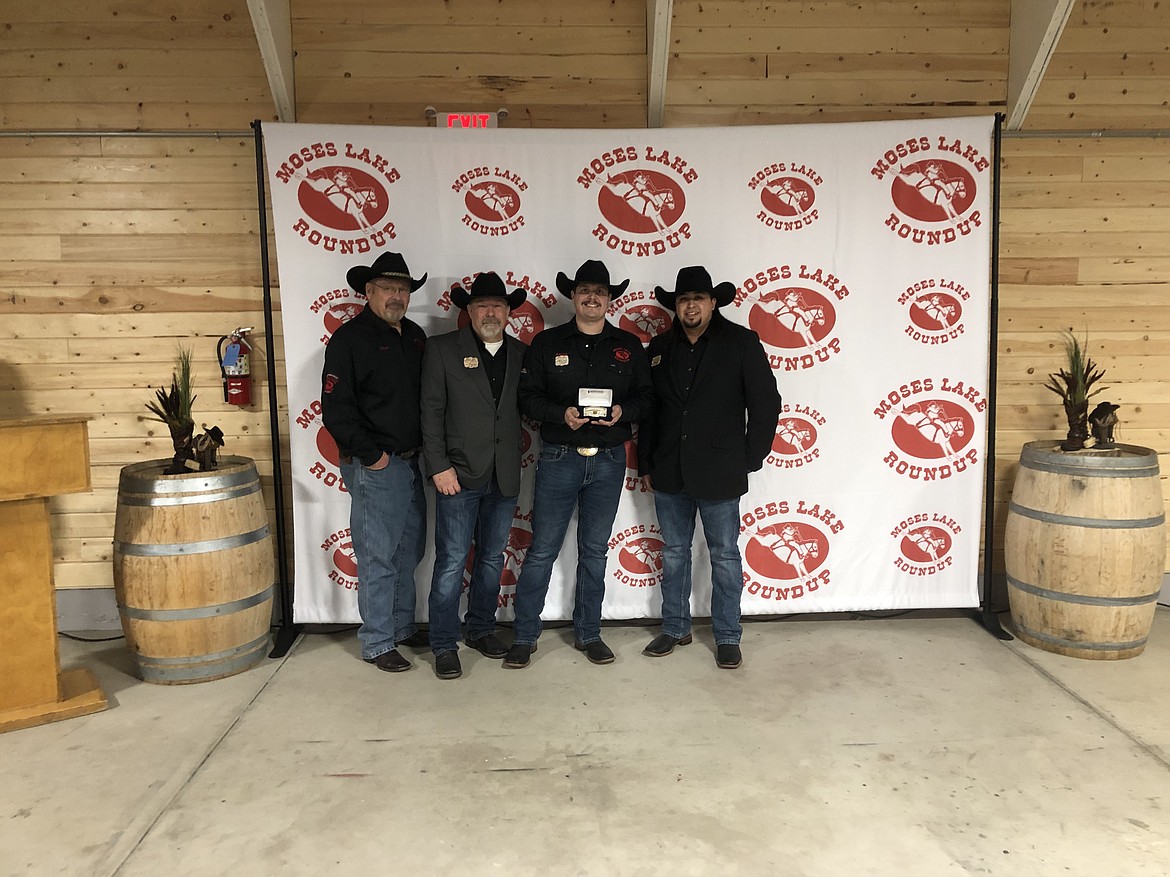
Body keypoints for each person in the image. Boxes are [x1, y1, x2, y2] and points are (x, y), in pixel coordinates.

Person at [503, 260, 653, 669]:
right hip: (558, 458)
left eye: (600, 292)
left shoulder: (628, 345)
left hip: (608, 460)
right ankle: (525, 636)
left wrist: (623, 411)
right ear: (573, 295)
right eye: (585, 290)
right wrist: (560, 415)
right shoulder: (547, 343)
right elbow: (527, 397)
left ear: (609, 299)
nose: (592, 297)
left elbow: (647, 398)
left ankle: (589, 633)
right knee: (542, 550)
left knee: (594, 551)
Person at [638, 266, 782, 669]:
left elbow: (767, 403)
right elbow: (651, 411)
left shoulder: (741, 342)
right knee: (675, 552)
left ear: (713, 302)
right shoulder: (659, 347)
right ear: (676, 306)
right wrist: (646, 461)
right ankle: (674, 627)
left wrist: (751, 457)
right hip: (668, 469)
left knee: (724, 555)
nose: (690, 306)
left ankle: (728, 635)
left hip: (721, 469)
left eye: (698, 298)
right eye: (684, 299)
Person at [321, 251, 430, 673]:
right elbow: (335, 408)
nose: (396, 296)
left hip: (412, 461)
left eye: (402, 289)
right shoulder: (349, 340)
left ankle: (401, 627)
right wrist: (374, 456)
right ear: (368, 291)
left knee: (409, 550)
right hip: (377, 466)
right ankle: (377, 641)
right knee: (379, 556)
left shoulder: (416, 336)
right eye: (387, 288)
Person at [420, 272, 528, 680]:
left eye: (498, 306)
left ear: (508, 312)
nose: (490, 312)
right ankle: (445, 643)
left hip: (503, 475)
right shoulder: (442, 349)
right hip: (458, 474)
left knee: (489, 557)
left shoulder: (521, 353)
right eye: (482, 305)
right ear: (468, 310)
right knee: (450, 561)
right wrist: (438, 466)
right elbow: (430, 412)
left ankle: (481, 628)